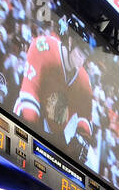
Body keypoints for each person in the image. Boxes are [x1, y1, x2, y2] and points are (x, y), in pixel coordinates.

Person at [15, 17, 96, 163]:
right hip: (32, 111)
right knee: (23, 116)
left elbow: (87, 116)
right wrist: (31, 127)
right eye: (80, 51)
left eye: (85, 55)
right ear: (70, 42)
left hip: (54, 131)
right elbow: (29, 90)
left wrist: (82, 136)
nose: (82, 58)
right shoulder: (44, 46)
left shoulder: (84, 79)